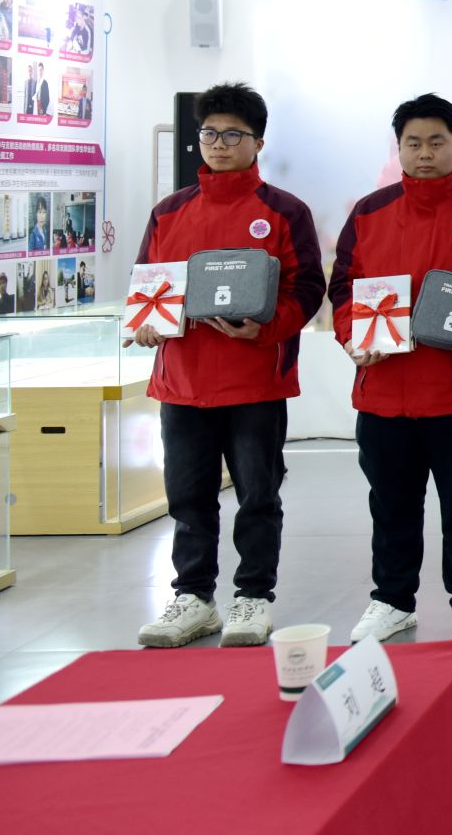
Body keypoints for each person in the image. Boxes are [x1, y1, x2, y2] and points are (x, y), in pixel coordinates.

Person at [329, 93, 452, 644]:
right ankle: (392, 600)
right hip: (384, 388)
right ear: (398, 148)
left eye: (436, 142)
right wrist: (352, 337)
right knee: (391, 504)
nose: (424, 153)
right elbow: (343, 288)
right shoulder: (368, 214)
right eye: (413, 143)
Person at [130, 84, 326, 648]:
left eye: (233, 134)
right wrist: (145, 322)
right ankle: (194, 597)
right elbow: (147, 285)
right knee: (187, 498)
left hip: (254, 381)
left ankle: (253, 597)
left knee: (258, 496)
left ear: (258, 142)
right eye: (209, 133)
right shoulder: (169, 212)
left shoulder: (284, 211)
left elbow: (307, 288)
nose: (218, 144)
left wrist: (264, 328)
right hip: (182, 382)